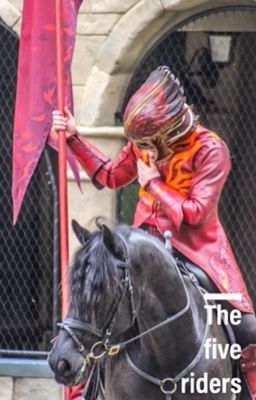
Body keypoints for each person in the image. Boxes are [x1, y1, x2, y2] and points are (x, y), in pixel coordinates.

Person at [51, 66, 256, 399]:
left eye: (149, 143)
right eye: (139, 144)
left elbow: (194, 213)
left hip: (196, 251)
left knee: (248, 329)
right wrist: (75, 137)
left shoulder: (210, 149)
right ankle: (83, 390)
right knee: (96, 309)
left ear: (170, 129)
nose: (144, 149)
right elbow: (110, 175)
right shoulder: (145, 142)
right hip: (142, 250)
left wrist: (154, 185)